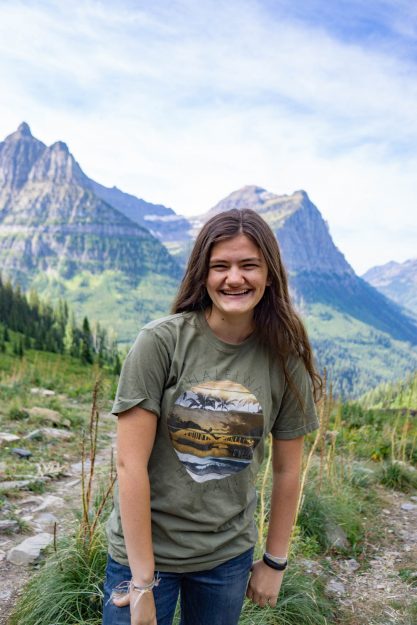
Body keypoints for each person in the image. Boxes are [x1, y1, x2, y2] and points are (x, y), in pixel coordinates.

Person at [102, 208, 321, 625]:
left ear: (269, 275)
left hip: (226, 559)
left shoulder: (284, 358)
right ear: (203, 274)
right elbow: (130, 465)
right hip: (146, 556)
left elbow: (288, 471)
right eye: (220, 265)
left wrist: (274, 563)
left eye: (249, 266)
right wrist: (143, 582)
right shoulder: (161, 343)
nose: (234, 278)